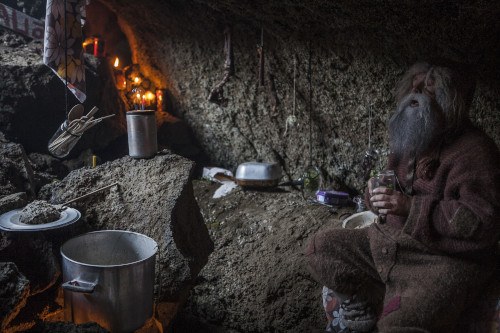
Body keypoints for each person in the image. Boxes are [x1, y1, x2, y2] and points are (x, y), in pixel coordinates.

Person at [306, 60, 500, 332]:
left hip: (441, 262)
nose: (415, 95)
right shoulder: (412, 136)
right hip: (391, 244)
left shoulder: (476, 151)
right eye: (414, 85)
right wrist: (375, 194)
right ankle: (365, 304)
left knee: (400, 326)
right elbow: (390, 192)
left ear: (452, 101)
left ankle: (397, 305)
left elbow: (481, 221)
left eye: (429, 90)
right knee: (320, 247)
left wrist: (411, 207)